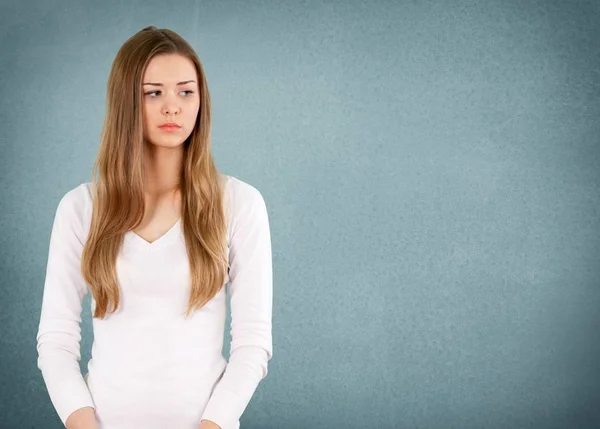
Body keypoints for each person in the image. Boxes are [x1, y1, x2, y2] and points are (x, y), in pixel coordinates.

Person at [35, 26, 273, 429]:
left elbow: (253, 345)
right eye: (153, 92)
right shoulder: (81, 208)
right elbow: (56, 342)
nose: (172, 107)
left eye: (185, 91)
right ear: (126, 102)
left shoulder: (238, 204)